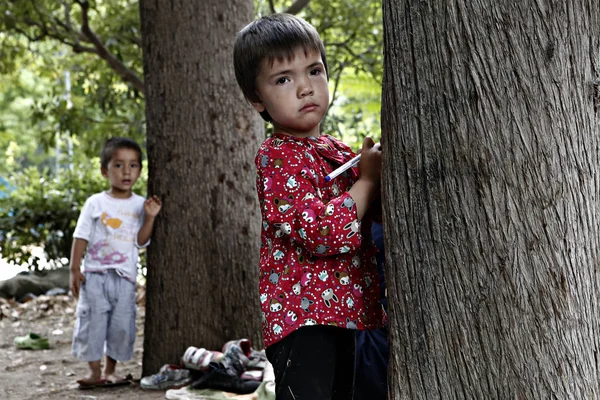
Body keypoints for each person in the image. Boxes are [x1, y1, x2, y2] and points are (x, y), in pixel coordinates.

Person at [233, 13, 385, 399]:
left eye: (314, 71)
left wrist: (374, 175)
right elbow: (321, 232)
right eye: (283, 79)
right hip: (303, 322)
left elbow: (371, 214)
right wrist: (366, 182)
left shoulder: (333, 151)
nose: (305, 88)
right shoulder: (277, 157)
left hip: (345, 313)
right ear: (256, 100)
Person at [69, 137, 162, 388]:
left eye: (133, 166)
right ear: (104, 170)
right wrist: (74, 269)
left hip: (125, 278)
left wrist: (150, 218)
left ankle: (111, 371)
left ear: (140, 171)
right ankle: (94, 372)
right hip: (95, 276)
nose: (126, 172)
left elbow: (141, 241)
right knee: (93, 322)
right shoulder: (96, 203)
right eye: (118, 165)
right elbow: (81, 236)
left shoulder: (140, 204)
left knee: (121, 325)